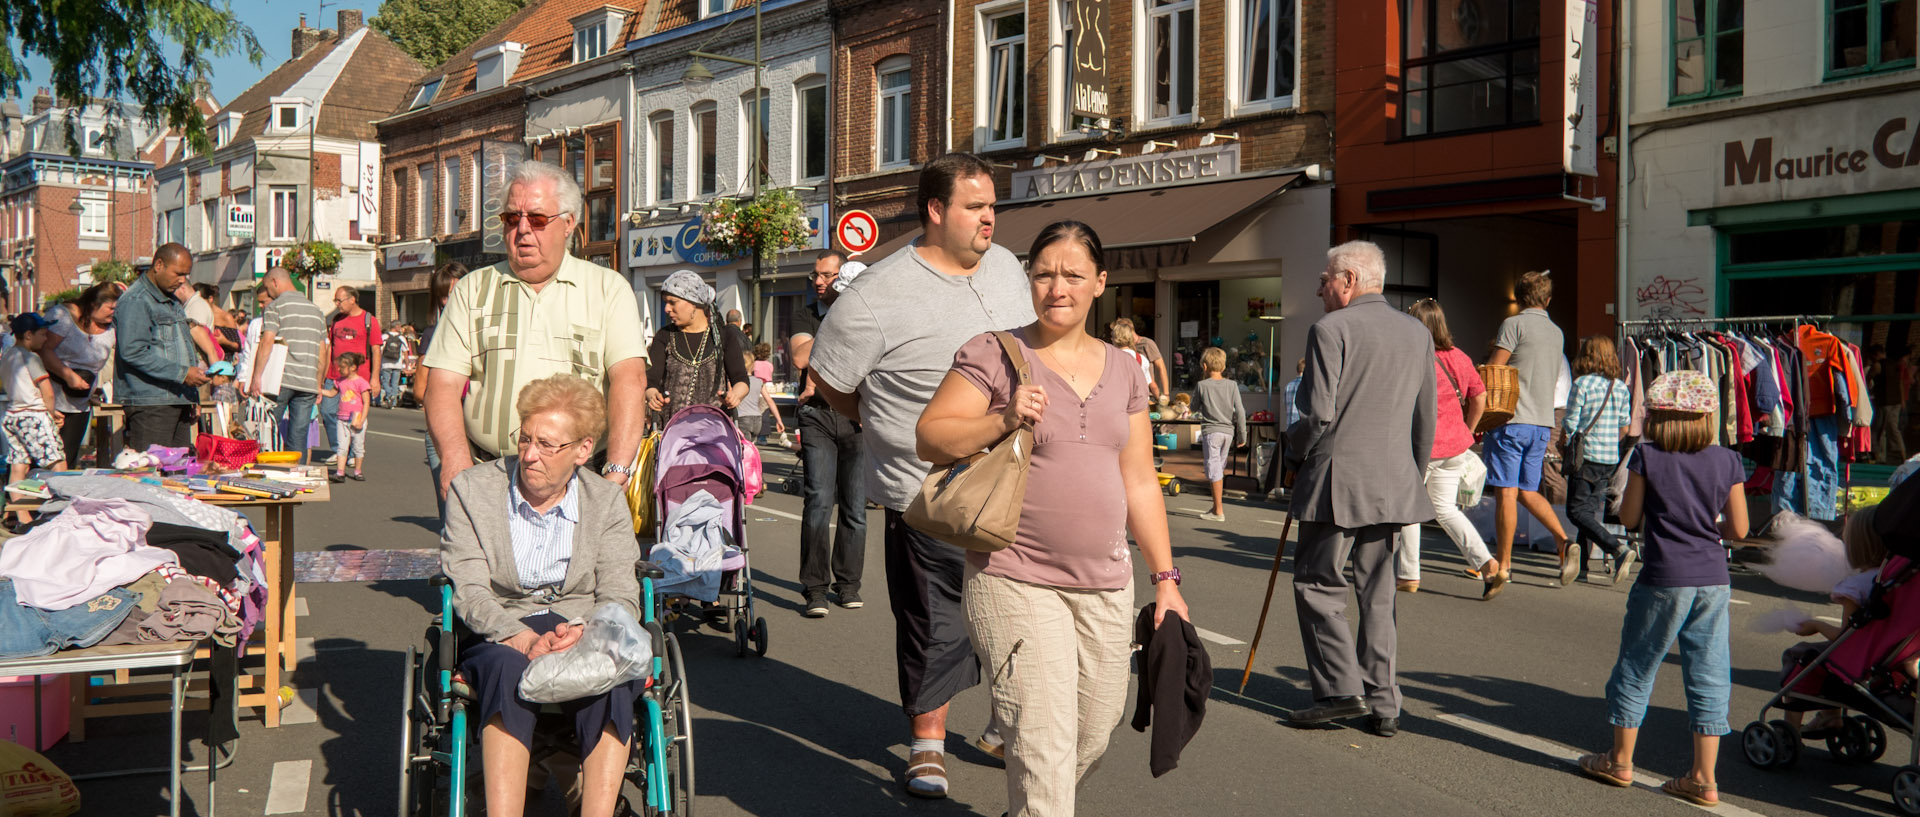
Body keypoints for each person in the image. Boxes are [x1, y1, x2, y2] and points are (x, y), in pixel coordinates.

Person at [918, 220, 1188, 816]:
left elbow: (1140, 480)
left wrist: (1166, 583)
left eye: (1072, 274)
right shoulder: (995, 352)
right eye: (1042, 273)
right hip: (1012, 576)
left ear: (1100, 283)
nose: (1056, 286)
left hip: (1105, 585)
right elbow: (930, 437)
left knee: (1091, 734)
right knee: (1042, 748)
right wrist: (1002, 418)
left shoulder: (1124, 369)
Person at [809, 153, 1037, 798]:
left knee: (1017, 611)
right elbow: (832, 383)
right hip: (926, 486)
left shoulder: (1010, 269)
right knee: (935, 618)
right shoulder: (875, 295)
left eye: (993, 206)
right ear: (936, 211)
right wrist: (889, 425)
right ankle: (928, 741)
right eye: (975, 206)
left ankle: (1002, 722)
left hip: (1014, 478)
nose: (989, 218)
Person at [440, 375, 642, 817]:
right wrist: (520, 636)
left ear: (583, 450)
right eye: (526, 439)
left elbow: (620, 593)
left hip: (579, 625)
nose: (529, 455)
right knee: (506, 671)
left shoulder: (606, 502)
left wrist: (584, 633)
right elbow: (470, 587)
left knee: (609, 675)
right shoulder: (473, 491)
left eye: (548, 445)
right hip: (501, 626)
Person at [1282, 240, 1435, 737]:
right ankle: (1384, 702)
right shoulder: (1416, 332)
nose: (1319, 287)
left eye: (1325, 279)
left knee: (1318, 583)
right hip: (1392, 478)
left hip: (1337, 478)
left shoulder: (1331, 329)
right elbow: (1424, 417)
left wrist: (1290, 449)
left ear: (1349, 280)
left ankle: (1339, 692)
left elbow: (1318, 414)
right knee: (1378, 593)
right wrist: (1413, 470)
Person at [425, 162, 648, 500]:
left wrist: (616, 471)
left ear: (569, 223)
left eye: (538, 219)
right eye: (512, 219)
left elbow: (629, 380)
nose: (523, 229)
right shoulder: (472, 290)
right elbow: (442, 383)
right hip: (488, 475)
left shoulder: (607, 289)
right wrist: (454, 461)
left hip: (579, 480)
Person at [1577, 369, 1748, 808]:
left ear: (1657, 416)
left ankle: (1619, 761)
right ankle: (1704, 778)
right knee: (1709, 674)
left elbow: (1631, 518)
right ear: (1708, 416)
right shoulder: (1727, 460)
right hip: (1713, 578)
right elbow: (1740, 529)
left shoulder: (1648, 457)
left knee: (1637, 665)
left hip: (1664, 576)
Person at [1393, 299, 1503, 597]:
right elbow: (1478, 397)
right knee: (1446, 510)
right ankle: (1487, 563)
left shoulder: (1412, 359)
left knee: (1409, 509)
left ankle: (1408, 574)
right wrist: (1467, 430)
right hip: (1455, 447)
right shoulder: (1460, 357)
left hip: (1421, 446)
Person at [790, 250, 870, 619]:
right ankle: (816, 589)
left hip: (856, 418)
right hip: (818, 417)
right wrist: (839, 317)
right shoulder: (808, 313)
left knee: (855, 509)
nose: (819, 282)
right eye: (816, 276)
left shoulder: (866, 316)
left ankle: (848, 584)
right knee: (819, 502)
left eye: (827, 276)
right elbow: (802, 358)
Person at [1484, 270, 1577, 587]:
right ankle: (1564, 540)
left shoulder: (1514, 324)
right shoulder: (1556, 332)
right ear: (1548, 299)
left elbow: (1495, 368)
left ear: (1520, 297)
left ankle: (1505, 565)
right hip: (1542, 421)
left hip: (1512, 420)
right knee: (1526, 490)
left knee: (1506, 492)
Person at [114, 244, 210, 451]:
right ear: (159, 265)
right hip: (151, 404)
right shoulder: (136, 300)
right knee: (152, 472)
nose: (183, 280)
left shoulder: (172, 301)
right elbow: (133, 351)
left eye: (186, 274)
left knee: (177, 475)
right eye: (178, 273)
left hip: (176, 399)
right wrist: (183, 374)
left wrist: (191, 395)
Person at [1563, 335, 1634, 583]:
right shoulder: (1621, 387)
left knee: (1575, 512)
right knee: (1590, 511)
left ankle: (1617, 549)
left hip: (1586, 456)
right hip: (1609, 457)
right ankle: (1582, 568)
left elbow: (1570, 423)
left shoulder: (1582, 384)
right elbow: (1625, 427)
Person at [644, 270, 748, 426]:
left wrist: (735, 396)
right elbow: (650, 381)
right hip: (672, 433)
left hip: (714, 432)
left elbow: (741, 379)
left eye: (672, 302)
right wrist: (653, 396)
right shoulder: (665, 335)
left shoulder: (723, 336)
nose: (667, 308)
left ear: (693, 302)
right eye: (666, 302)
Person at [247, 268, 329, 449]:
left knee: (265, 431)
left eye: (268, 288)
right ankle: (295, 475)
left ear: (275, 282)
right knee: (298, 437)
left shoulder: (275, 307)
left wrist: (257, 376)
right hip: (307, 382)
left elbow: (267, 342)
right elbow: (322, 350)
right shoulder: (316, 311)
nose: (268, 293)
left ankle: (265, 472)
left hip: (279, 381)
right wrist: (318, 384)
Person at [2, 313, 69, 526]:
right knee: (57, 460)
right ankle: (63, 512)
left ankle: (22, 517)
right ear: (28, 335)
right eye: (42, 334)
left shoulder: (7, 356)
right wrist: (52, 412)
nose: (46, 339)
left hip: (12, 415)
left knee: (18, 464)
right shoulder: (31, 357)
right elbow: (47, 390)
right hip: (35, 414)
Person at [44, 282, 118, 465]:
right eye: (110, 308)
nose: (113, 313)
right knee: (46, 456)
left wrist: (93, 391)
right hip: (52, 396)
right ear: (94, 304)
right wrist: (69, 375)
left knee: (68, 456)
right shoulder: (64, 317)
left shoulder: (111, 326)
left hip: (81, 401)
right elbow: (44, 350)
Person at [415, 262, 469, 514]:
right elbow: (419, 390)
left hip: (480, 435)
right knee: (451, 515)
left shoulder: (483, 331)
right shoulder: (433, 334)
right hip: (444, 431)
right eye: (444, 295)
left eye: (456, 293)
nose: (449, 301)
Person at [322, 286, 381, 454]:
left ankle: (352, 452)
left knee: (354, 418)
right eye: (336, 300)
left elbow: (376, 350)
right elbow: (330, 349)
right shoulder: (336, 320)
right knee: (327, 412)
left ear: (352, 299)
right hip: (334, 376)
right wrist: (324, 374)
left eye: (339, 300)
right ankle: (339, 448)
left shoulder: (368, 320)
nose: (337, 304)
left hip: (357, 379)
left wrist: (375, 378)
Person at [1193, 346, 1246, 522]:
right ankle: (1215, 507)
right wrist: (1242, 434)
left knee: (1213, 469)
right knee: (1219, 468)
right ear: (1223, 367)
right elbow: (1240, 411)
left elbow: (1193, 407)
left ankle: (1218, 511)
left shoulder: (1202, 385)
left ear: (1204, 367)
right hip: (1228, 433)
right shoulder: (1232, 385)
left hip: (1211, 431)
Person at [324, 352, 371, 483]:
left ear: (353, 367)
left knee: (358, 446)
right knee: (342, 446)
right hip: (342, 418)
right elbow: (331, 393)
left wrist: (362, 420)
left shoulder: (361, 383)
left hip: (356, 419)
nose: (339, 369)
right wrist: (319, 391)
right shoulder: (339, 381)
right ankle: (340, 472)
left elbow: (366, 402)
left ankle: (358, 470)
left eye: (342, 367)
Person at [735, 346, 783, 443]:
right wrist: (779, 420)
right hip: (757, 419)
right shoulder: (759, 382)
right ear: (753, 366)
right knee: (750, 447)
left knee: (743, 450)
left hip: (743, 418)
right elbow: (770, 401)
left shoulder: (736, 381)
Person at [1109, 316, 1168, 397]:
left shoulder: (1147, 344)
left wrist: (1166, 394)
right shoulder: (1119, 351)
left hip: (1148, 394)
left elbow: (1161, 368)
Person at [379, 323, 410, 408]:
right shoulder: (401, 338)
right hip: (397, 364)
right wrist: (407, 365)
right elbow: (405, 353)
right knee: (395, 383)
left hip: (386, 363)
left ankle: (389, 394)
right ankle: (393, 402)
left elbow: (380, 351)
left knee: (385, 382)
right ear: (397, 327)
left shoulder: (384, 336)